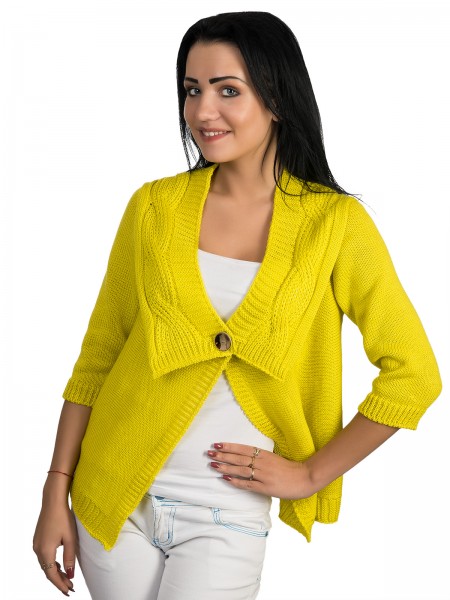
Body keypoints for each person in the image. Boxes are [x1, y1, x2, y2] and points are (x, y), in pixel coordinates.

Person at [32, 11, 442, 600]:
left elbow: (414, 375)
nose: (203, 111)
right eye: (191, 90)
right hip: (113, 497)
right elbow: (100, 357)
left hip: (227, 509)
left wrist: (310, 474)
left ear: (277, 98)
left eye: (228, 91)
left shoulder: (334, 225)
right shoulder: (154, 208)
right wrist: (55, 491)